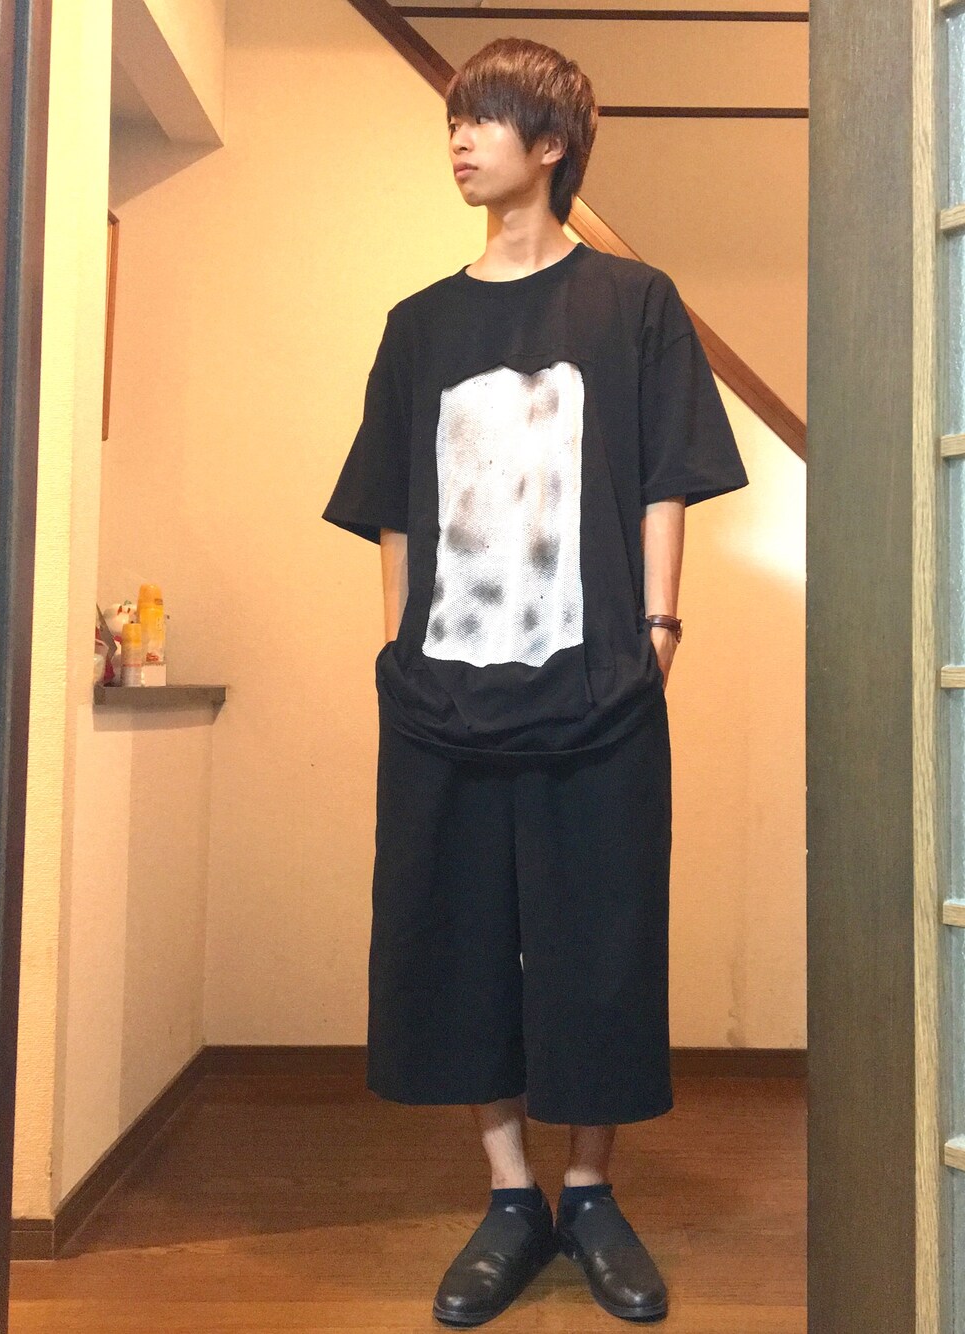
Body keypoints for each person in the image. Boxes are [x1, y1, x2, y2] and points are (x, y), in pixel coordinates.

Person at [321, 35, 748, 1327]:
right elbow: (394, 506)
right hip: (441, 694)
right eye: (453, 118)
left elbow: (667, 476)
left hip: (599, 684)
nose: (458, 138)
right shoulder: (420, 325)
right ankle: (510, 1196)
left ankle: (591, 1192)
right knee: (454, 937)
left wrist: (659, 631)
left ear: (550, 145)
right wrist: (398, 649)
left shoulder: (636, 303)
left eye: (484, 118)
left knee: (600, 936)